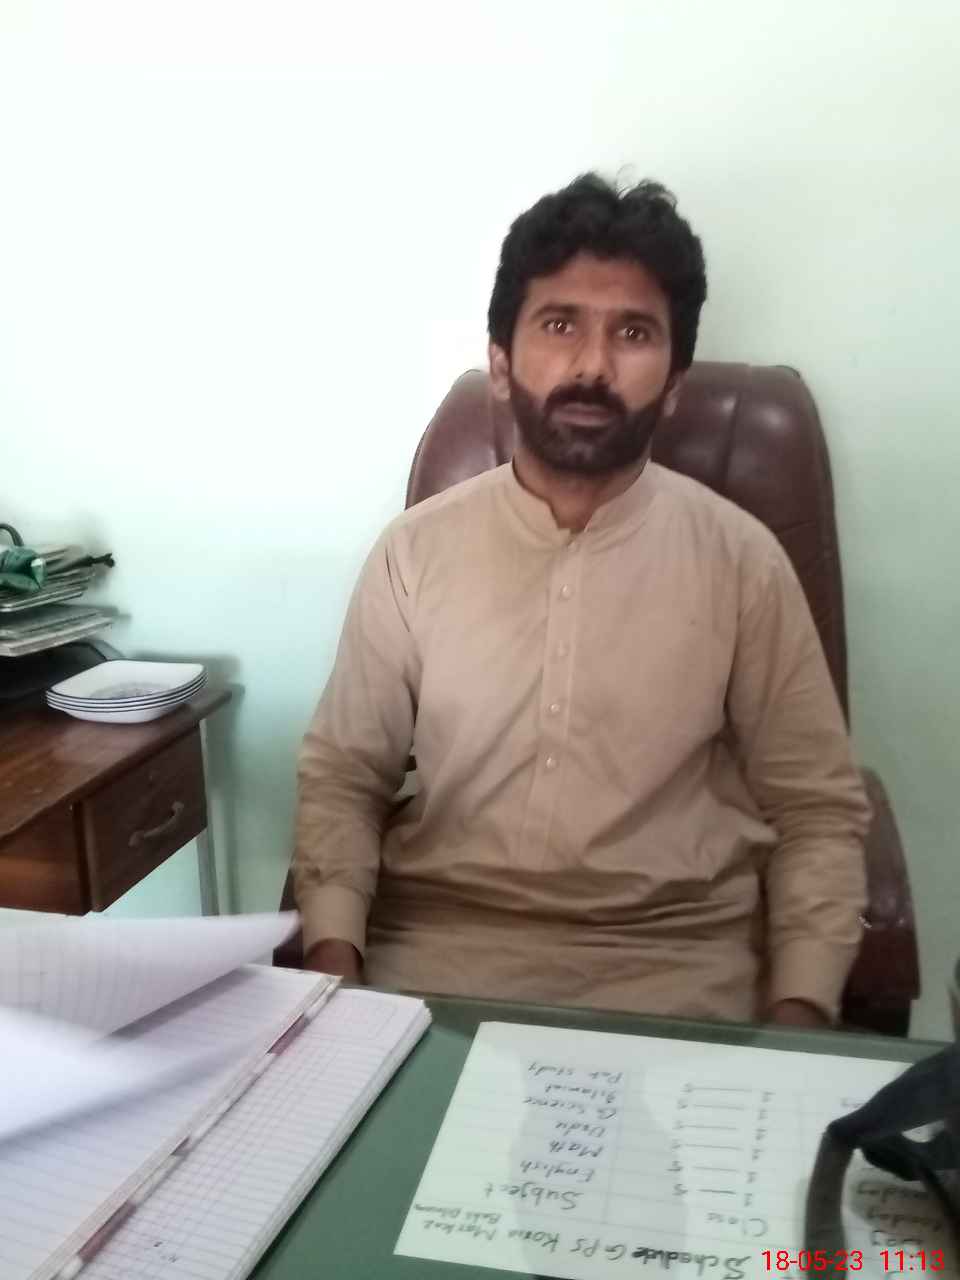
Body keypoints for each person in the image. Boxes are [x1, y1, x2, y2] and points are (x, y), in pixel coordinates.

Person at [293, 173, 869, 1027]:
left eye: (633, 333)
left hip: (678, 977)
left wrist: (800, 1018)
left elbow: (815, 810)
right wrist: (334, 977)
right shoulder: (414, 553)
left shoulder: (742, 561)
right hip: (434, 970)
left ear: (674, 382)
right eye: (560, 325)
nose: (593, 366)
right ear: (501, 364)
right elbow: (344, 777)